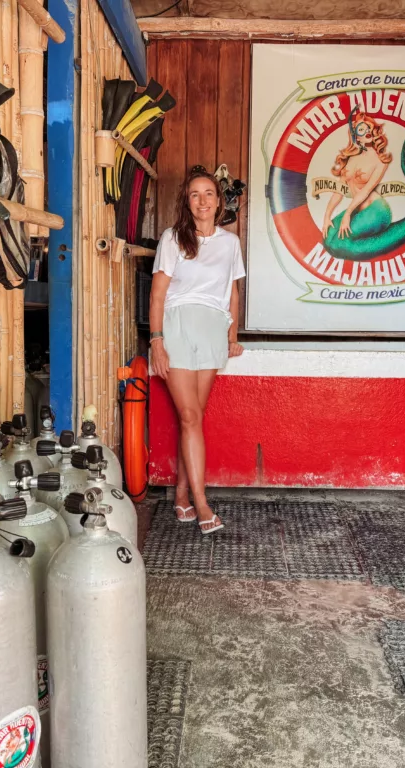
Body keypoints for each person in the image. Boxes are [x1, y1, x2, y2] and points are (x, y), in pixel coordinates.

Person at [149, 166, 246, 534]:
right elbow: (158, 295)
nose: (202, 200)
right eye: (195, 194)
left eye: (208, 193)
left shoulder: (230, 243)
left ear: (219, 201)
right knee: (190, 416)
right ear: (186, 202)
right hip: (177, 326)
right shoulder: (173, 238)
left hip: (212, 329)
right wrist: (157, 340)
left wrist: (232, 335)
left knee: (194, 418)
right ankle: (202, 504)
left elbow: (231, 293)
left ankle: (181, 492)